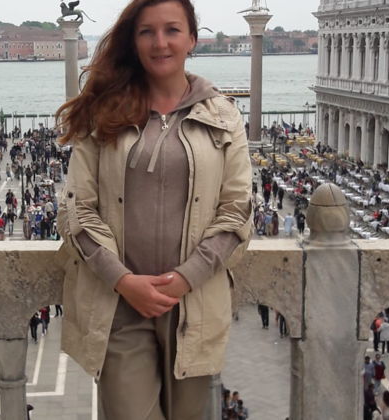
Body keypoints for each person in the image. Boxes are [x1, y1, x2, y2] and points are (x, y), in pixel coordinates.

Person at [55, 1, 252, 418]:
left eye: (172, 30)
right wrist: (123, 280)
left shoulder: (224, 115)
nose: (160, 42)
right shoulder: (103, 114)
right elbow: (76, 209)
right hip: (119, 304)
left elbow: (237, 211)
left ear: (192, 39)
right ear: (134, 41)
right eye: (147, 31)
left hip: (195, 302)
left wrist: (185, 278)